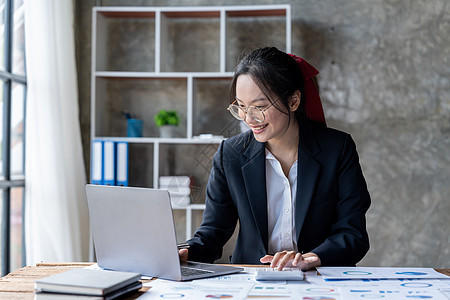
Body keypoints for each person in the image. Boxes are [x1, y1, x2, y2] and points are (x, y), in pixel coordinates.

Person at [179, 46, 371, 271]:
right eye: (241, 106)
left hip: (320, 276)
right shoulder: (230, 155)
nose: (248, 118)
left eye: (259, 107)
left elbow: (353, 234)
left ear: (293, 101)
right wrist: (187, 251)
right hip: (252, 278)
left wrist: (311, 258)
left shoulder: (337, 149)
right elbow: (213, 232)